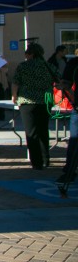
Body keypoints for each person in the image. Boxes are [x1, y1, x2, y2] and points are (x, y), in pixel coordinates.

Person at [11, 42, 58, 171]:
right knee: (43, 130)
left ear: (30, 54)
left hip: (28, 101)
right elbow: (59, 81)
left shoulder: (23, 66)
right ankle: (46, 158)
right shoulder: (48, 66)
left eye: (26, 53)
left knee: (31, 132)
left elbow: (15, 82)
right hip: (45, 100)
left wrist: (14, 95)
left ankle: (37, 162)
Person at [57, 55, 78, 194]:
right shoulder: (74, 63)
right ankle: (69, 172)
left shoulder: (74, 63)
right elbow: (65, 85)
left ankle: (69, 172)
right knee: (75, 142)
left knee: (75, 142)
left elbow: (65, 85)